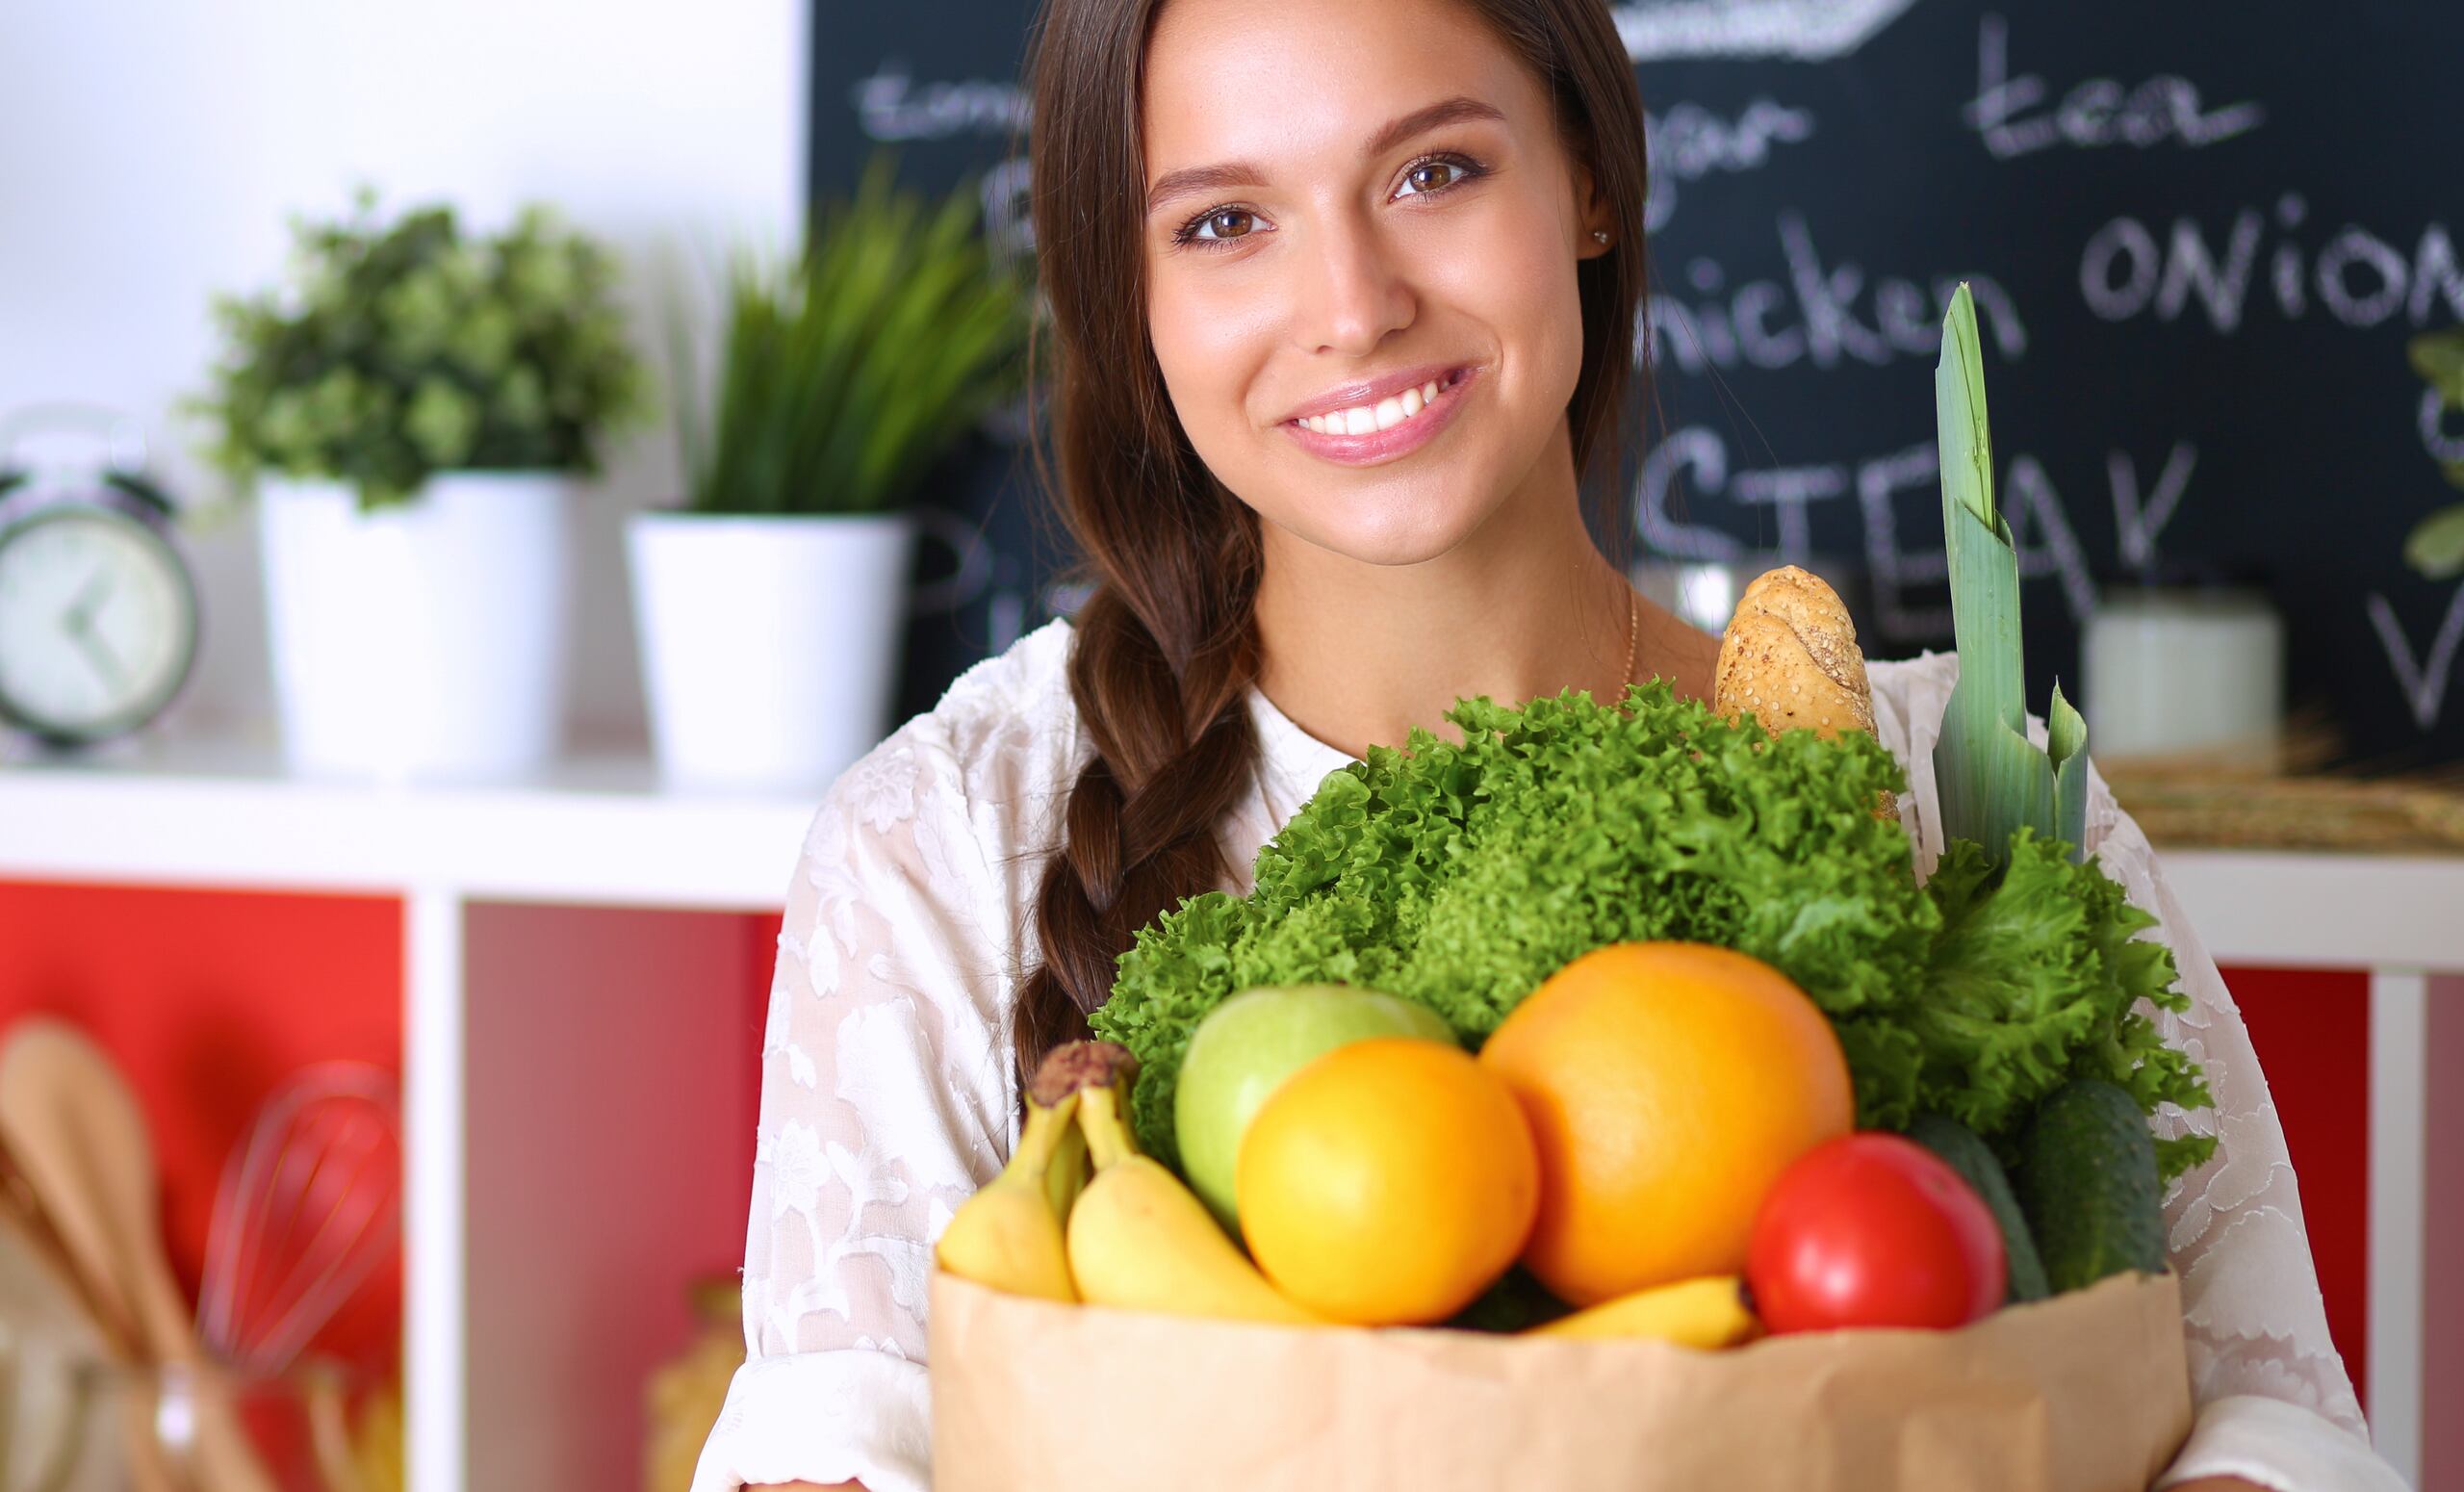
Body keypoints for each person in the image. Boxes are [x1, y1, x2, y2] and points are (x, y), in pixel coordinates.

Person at [690, 0, 2402, 1487]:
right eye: (1223, 223)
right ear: (1121, 289)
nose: (1352, 305)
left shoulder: (1968, 788)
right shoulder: (943, 847)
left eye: (1435, 171)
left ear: (1588, 178)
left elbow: (2269, 1417)